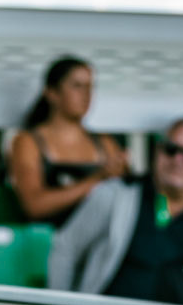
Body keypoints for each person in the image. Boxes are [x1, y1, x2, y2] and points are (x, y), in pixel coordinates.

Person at [47, 119, 183, 300]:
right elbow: (66, 248)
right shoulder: (114, 195)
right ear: (157, 150)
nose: (178, 160)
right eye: (171, 149)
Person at [7, 58, 127, 229]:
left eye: (90, 87)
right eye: (77, 86)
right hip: (50, 238)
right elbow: (34, 205)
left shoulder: (105, 143)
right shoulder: (28, 142)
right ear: (52, 93)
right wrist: (97, 179)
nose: (86, 94)